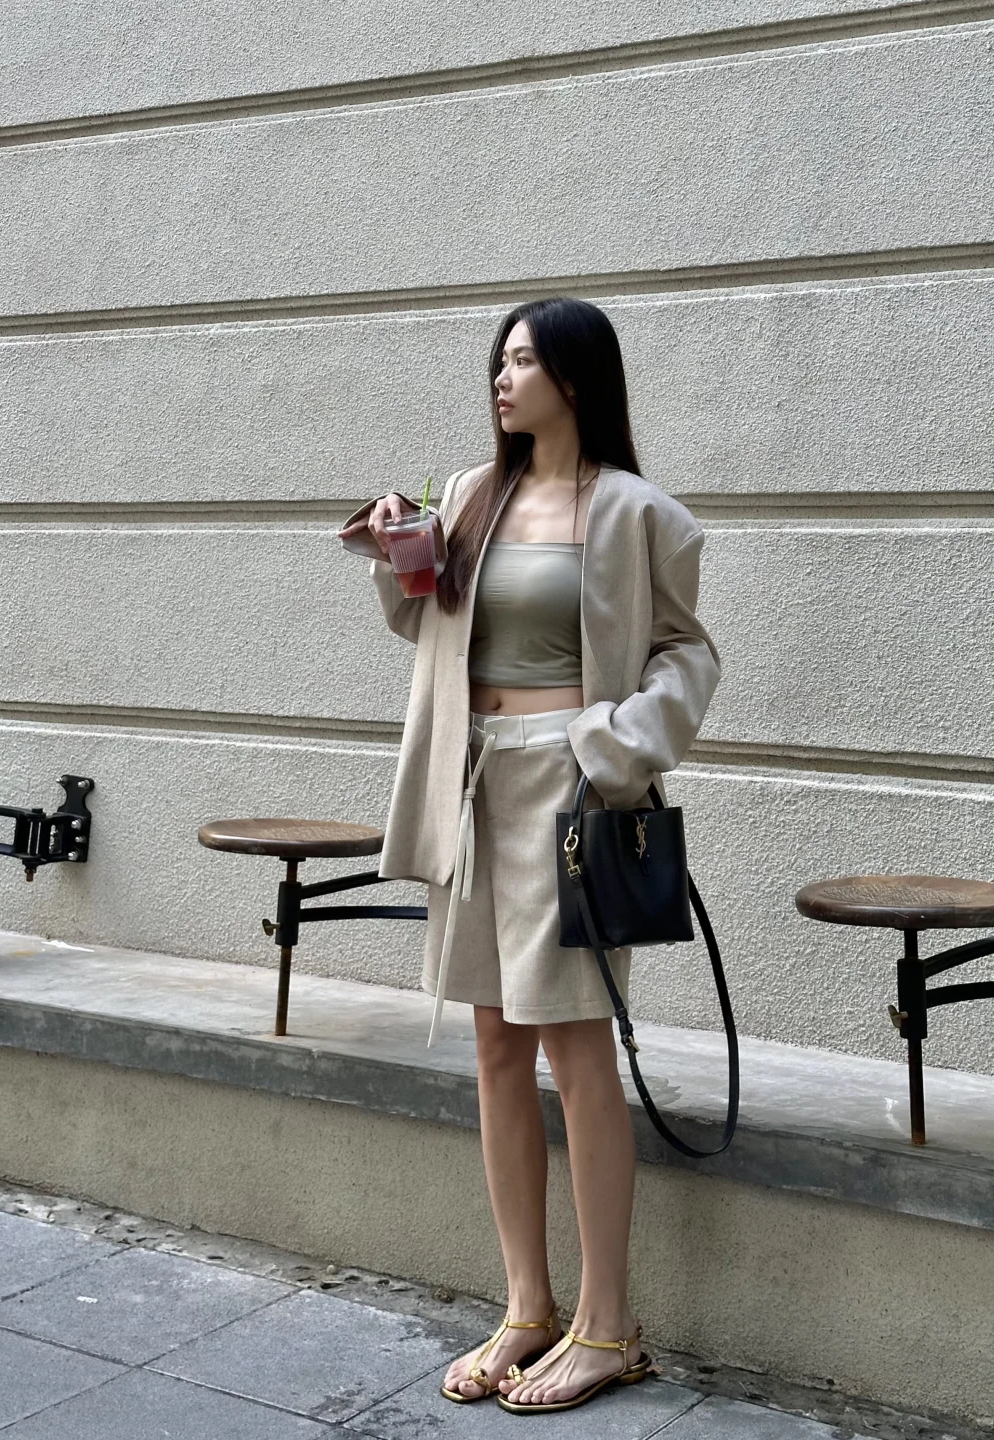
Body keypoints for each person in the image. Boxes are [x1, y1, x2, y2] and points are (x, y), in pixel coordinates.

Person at [338, 296, 720, 1414]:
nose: (502, 380)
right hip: (473, 786)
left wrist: (613, 747)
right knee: (497, 1046)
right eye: (499, 362)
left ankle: (609, 1326)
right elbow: (425, 619)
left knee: (576, 1047)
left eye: (523, 362)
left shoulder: (639, 514)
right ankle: (526, 1307)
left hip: (571, 792)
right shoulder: (473, 494)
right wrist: (398, 552)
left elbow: (687, 658)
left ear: (575, 378)